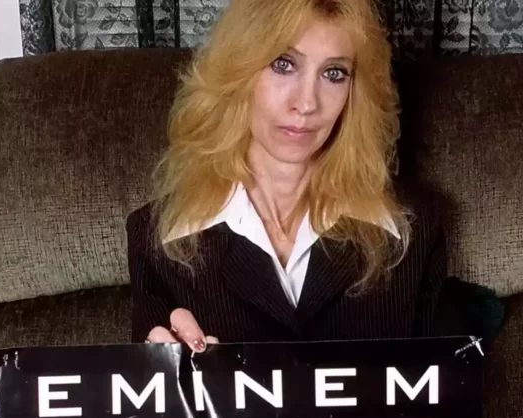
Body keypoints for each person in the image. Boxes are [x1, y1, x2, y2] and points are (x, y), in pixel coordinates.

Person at [126, 0, 452, 353]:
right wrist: (166, 370)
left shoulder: (414, 229)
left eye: (334, 74)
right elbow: (144, 384)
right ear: (239, 73)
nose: (307, 103)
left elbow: (445, 382)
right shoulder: (157, 239)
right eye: (283, 64)